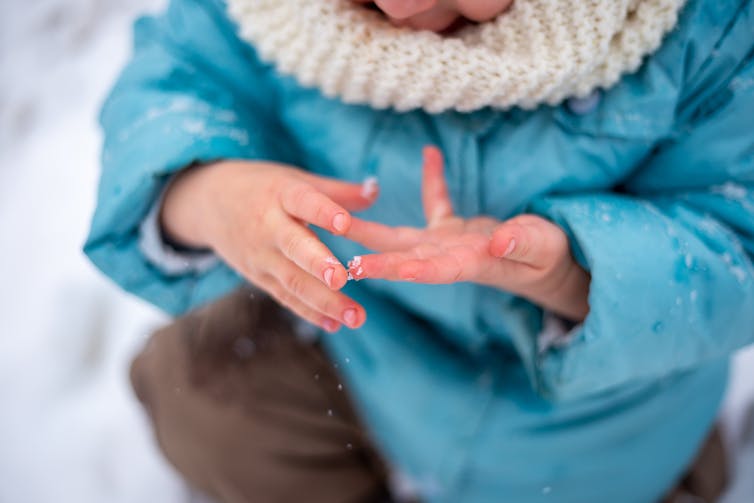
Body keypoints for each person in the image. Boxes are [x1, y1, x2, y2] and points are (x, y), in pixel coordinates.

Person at [84, 0, 753, 501]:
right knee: (200, 390)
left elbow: (736, 238)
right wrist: (211, 193)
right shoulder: (271, 11)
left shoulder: (708, 28)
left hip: (603, 431)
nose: (400, 7)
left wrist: (571, 272)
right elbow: (176, 78)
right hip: (370, 354)